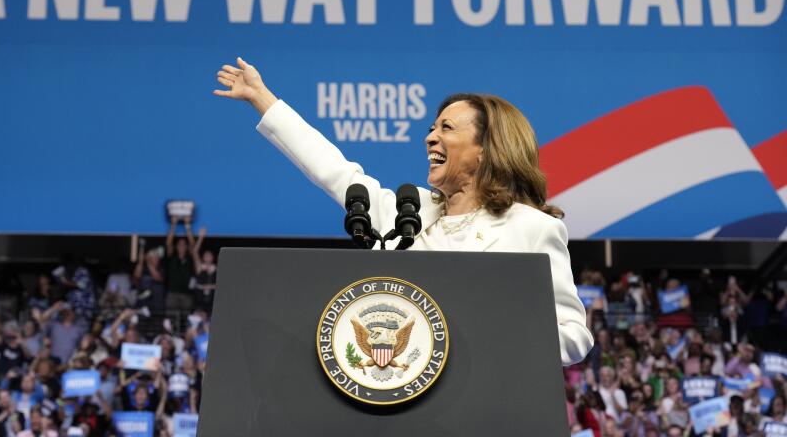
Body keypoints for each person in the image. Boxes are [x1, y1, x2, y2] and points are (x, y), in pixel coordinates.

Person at [213, 57, 593, 365]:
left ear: (485, 150)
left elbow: (574, 336)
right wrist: (261, 97)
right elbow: (333, 171)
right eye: (432, 128)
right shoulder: (405, 217)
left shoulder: (531, 229)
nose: (430, 137)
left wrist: (494, 336)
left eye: (446, 128)